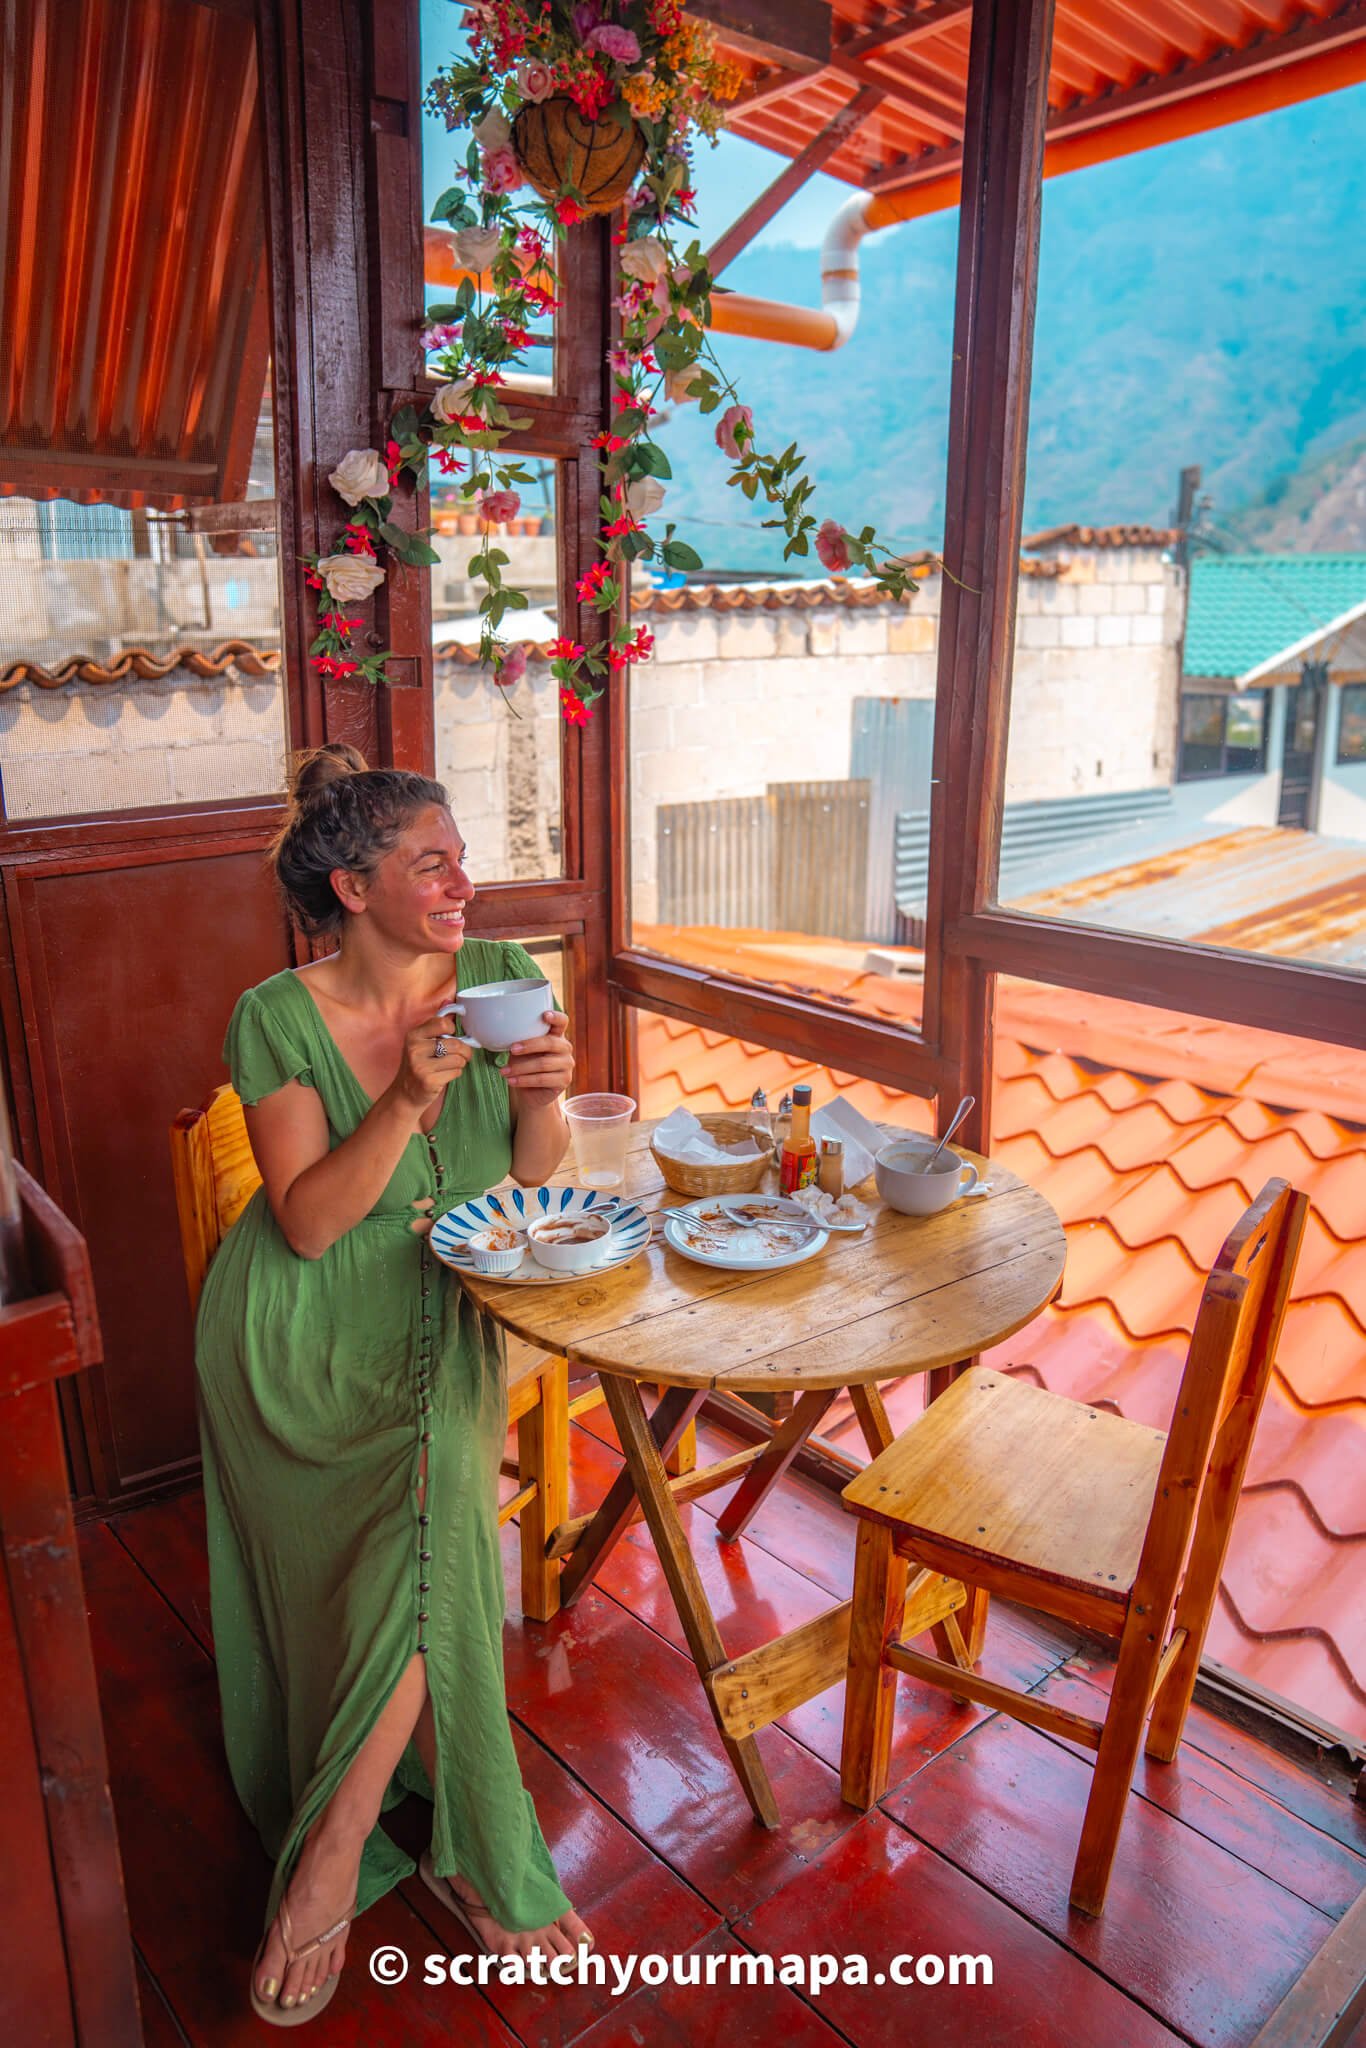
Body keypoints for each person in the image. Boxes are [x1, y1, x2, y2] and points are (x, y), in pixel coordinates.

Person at [194, 743, 591, 2027]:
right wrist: (410, 1101)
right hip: (294, 1325)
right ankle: (468, 1856)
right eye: (434, 863)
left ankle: (331, 1854)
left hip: (447, 1297)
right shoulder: (274, 1014)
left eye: (460, 854)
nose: (464, 881)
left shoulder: (500, 977)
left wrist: (546, 1100)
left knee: (428, 1496)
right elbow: (308, 1224)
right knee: (435, 1522)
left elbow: (535, 1185)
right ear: (355, 886)